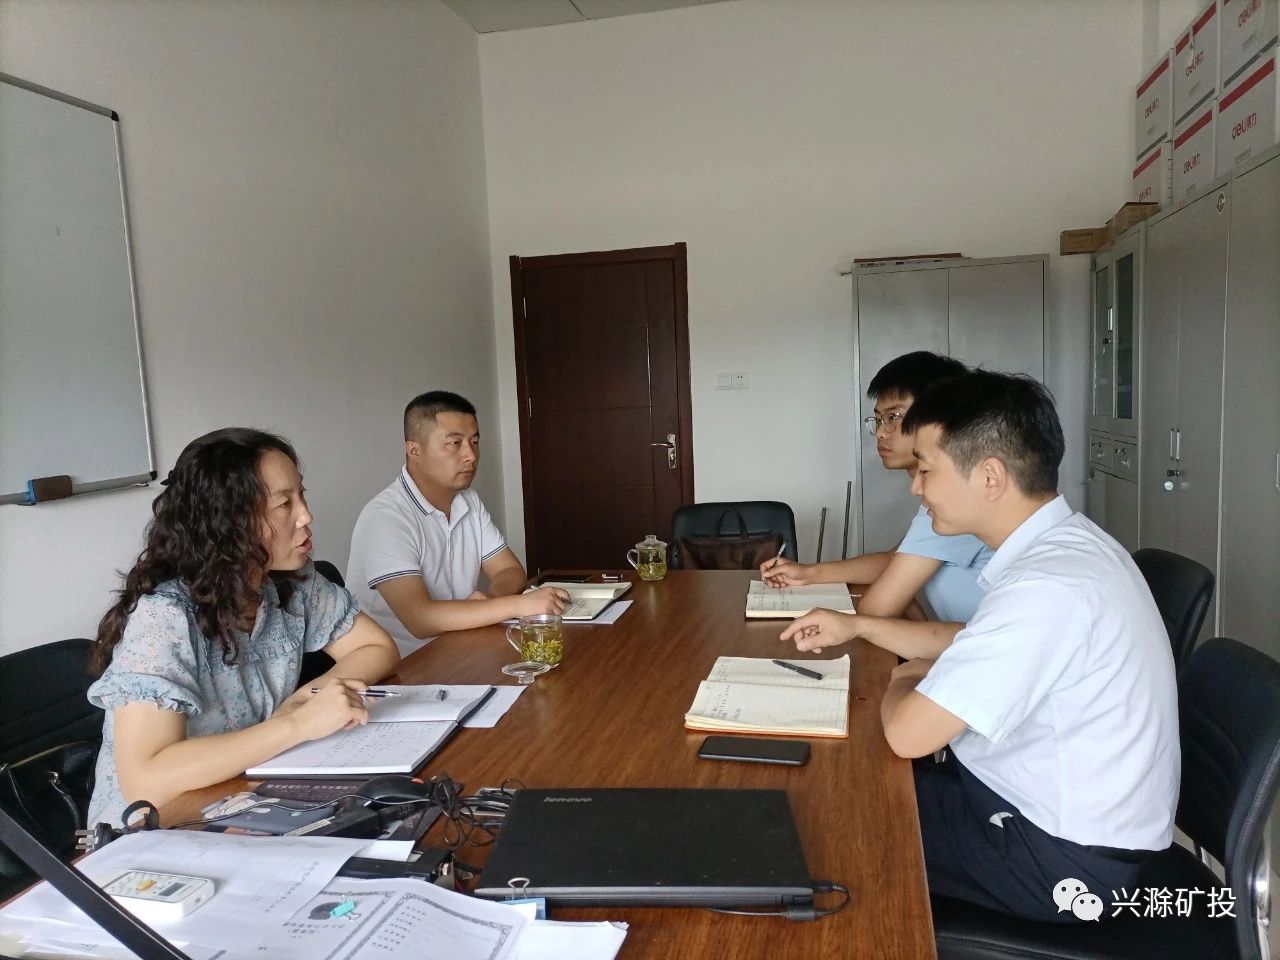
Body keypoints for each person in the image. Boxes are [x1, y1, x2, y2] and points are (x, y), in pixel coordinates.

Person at [869, 371, 1176, 921]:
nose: (917, 488)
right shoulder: (1070, 546)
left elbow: (908, 733)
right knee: (859, 785)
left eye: (927, 470)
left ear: (990, 476)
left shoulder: (1047, 586)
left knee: (841, 820)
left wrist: (904, 678)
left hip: (1061, 860)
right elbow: (969, 642)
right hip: (1036, 807)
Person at [87, 428, 400, 828]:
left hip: (244, 795)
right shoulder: (164, 616)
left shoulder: (290, 580)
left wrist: (309, 698)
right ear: (229, 520)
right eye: (284, 503)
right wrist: (295, 725)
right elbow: (147, 783)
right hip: (152, 832)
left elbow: (376, 647)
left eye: (301, 495)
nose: (306, 516)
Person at [766, 352, 992, 657]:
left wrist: (883, 612)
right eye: (879, 419)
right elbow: (895, 559)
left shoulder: (961, 500)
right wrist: (808, 573)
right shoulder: (943, 494)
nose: (882, 432)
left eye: (894, 417)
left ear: (938, 418)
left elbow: (876, 609)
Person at [347, 391, 567, 657]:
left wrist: (492, 601)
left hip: (460, 648)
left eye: (475, 442)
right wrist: (517, 605)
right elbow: (420, 619)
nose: (471, 455)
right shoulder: (385, 517)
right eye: (454, 443)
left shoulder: (468, 501)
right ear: (414, 450)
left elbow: (509, 570)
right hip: (404, 665)